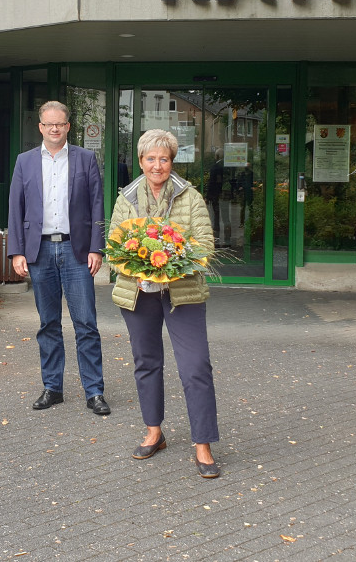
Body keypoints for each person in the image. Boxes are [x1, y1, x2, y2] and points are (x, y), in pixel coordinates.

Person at [109, 129, 221, 478]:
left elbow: (205, 245)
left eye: (164, 158)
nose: (157, 165)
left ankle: (202, 444)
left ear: (172, 161)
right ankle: (154, 432)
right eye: (150, 159)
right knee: (147, 362)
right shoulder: (126, 198)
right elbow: (114, 249)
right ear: (141, 161)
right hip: (139, 294)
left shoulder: (190, 197)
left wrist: (174, 260)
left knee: (196, 367)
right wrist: (139, 266)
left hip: (182, 294)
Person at [7, 100, 110, 416]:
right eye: (48, 124)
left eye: (60, 124)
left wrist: (96, 247)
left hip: (75, 250)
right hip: (39, 252)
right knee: (48, 323)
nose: (54, 128)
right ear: (40, 127)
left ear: (68, 126)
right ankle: (53, 388)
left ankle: (94, 391)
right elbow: (16, 208)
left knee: (86, 323)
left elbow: (96, 206)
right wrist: (17, 251)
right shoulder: (24, 161)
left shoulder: (85, 159)